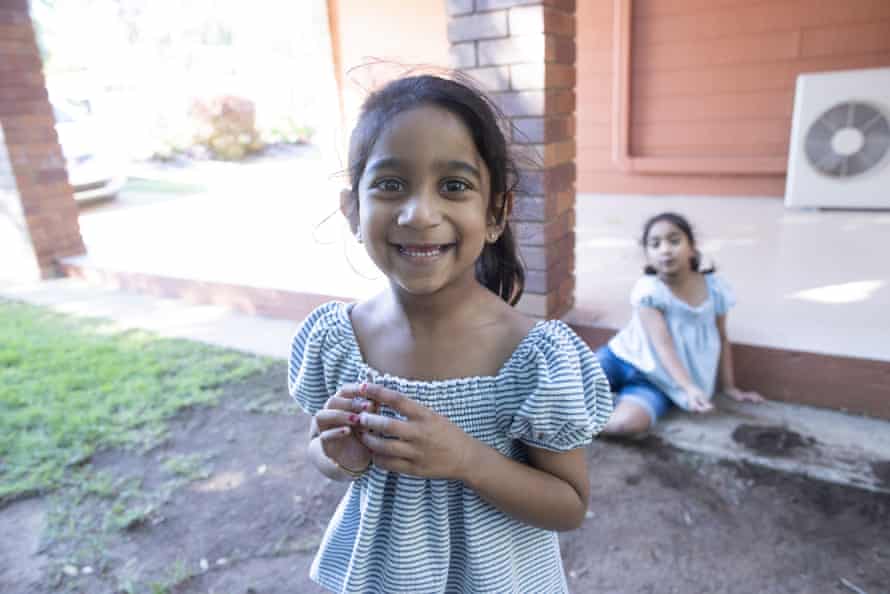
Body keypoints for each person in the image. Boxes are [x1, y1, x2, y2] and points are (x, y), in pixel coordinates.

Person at [288, 74, 612, 593]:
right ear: (353, 209)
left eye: (454, 186)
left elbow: (569, 505)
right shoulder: (338, 339)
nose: (419, 214)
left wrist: (466, 460)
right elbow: (319, 448)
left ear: (495, 212)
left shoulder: (530, 357)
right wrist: (337, 457)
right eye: (390, 184)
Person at [597, 212, 765, 438]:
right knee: (562, 389)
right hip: (620, 359)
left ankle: (576, 425)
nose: (665, 250)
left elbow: (722, 337)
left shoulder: (715, 289)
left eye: (674, 241)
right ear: (647, 256)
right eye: (655, 244)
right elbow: (662, 344)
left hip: (659, 382)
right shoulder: (649, 290)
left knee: (624, 425)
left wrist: (729, 387)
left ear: (692, 248)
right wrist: (688, 387)